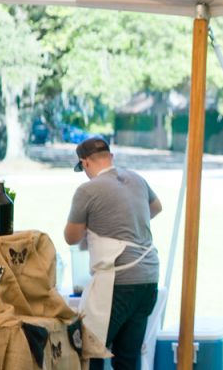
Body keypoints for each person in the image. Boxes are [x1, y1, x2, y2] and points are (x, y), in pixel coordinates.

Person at [64, 137, 162, 370]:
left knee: (91, 348)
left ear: (85, 163)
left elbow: (71, 237)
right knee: (127, 357)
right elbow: (157, 207)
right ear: (111, 157)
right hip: (148, 277)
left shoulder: (87, 190)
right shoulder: (137, 179)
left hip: (120, 279)